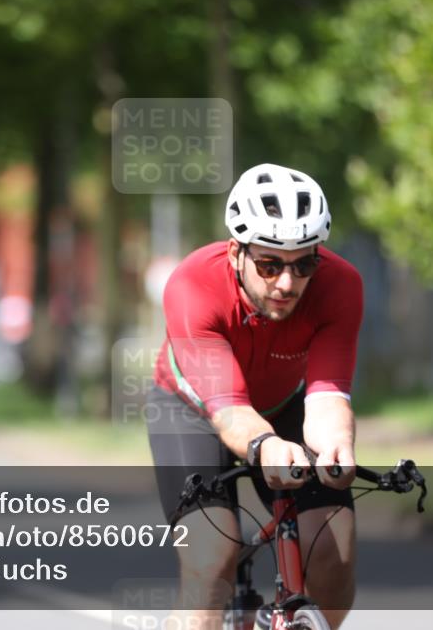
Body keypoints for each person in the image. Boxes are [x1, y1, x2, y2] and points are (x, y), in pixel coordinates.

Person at [146, 163, 363, 630]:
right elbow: (229, 410)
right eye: (269, 265)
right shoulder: (193, 286)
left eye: (304, 264)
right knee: (212, 558)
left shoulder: (340, 286)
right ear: (235, 253)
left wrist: (336, 447)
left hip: (284, 404)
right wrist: (265, 446)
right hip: (193, 411)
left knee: (334, 550)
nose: (287, 283)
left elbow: (327, 395)